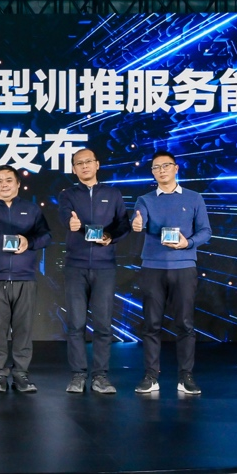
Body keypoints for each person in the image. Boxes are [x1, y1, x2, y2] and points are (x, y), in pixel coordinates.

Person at [131, 150, 212, 396]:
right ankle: (151, 376)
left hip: (184, 266)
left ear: (176, 168)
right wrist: (137, 224)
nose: (161, 170)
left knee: (185, 323)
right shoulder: (145, 200)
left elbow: (206, 231)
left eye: (166, 166)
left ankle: (186, 376)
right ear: (152, 173)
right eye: (156, 167)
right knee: (151, 324)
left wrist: (188, 243)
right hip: (152, 268)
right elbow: (139, 220)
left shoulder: (194, 198)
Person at [57, 148, 131, 394]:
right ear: (73, 169)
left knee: (103, 324)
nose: (84, 166)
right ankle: (78, 375)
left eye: (88, 161)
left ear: (97, 164)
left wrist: (110, 236)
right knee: (76, 324)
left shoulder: (112, 193)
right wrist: (71, 223)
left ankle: (100, 376)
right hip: (75, 266)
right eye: (79, 163)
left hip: (104, 266)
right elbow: (64, 216)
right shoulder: (67, 195)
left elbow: (123, 224)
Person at [0, 165, 52, 393]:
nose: (4, 185)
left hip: (25, 278)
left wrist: (29, 242)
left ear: (18, 184)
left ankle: (21, 374)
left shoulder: (31, 209)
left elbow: (46, 236)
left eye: (8, 180)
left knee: (23, 329)